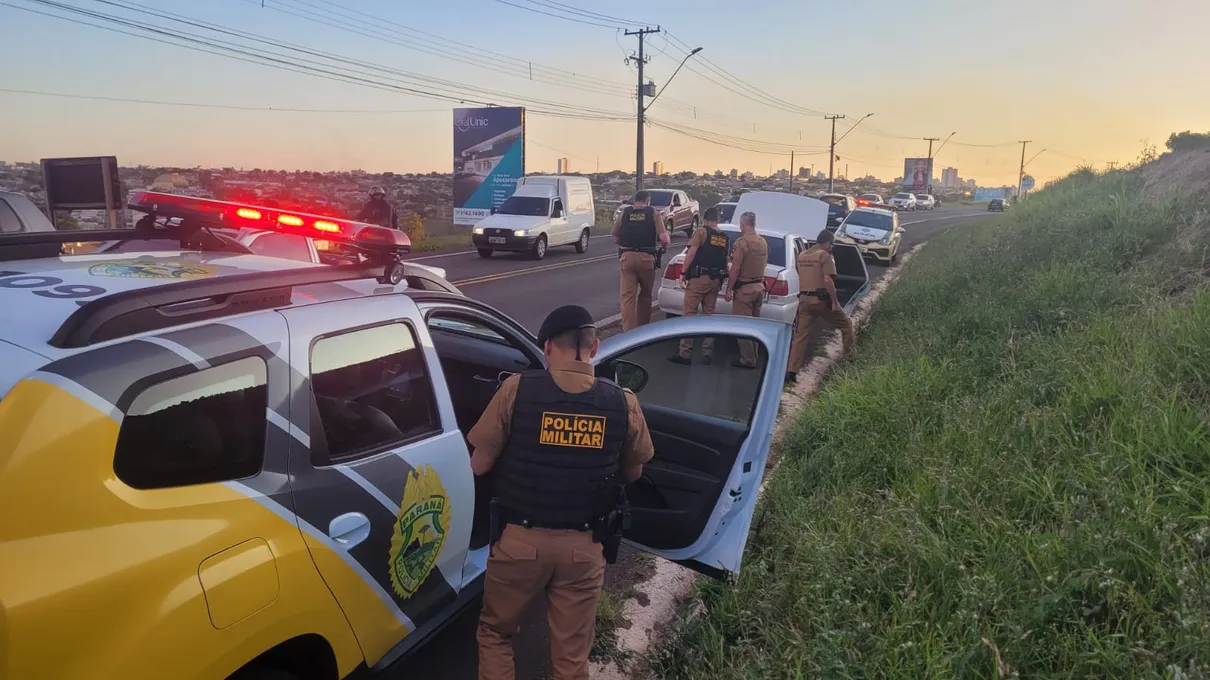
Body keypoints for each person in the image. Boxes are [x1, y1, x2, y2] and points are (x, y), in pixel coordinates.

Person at [468, 305, 655, 680]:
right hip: (583, 549)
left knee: (495, 633)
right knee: (570, 663)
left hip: (519, 543)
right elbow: (634, 472)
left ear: (549, 346)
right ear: (595, 346)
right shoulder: (623, 402)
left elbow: (479, 465)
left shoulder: (516, 390)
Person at [786, 229, 855, 383]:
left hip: (803, 300)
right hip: (821, 300)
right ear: (828, 243)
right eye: (832, 244)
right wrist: (835, 302)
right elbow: (828, 280)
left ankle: (791, 371)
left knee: (800, 337)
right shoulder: (825, 256)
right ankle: (849, 360)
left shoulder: (802, 255)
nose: (832, 247)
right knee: (846, 324)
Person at [669, 206, 729, 365]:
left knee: (689, 314)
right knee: (709, 315)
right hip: (715, 281)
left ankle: (685, 353)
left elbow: (691, 252)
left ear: (705, 219)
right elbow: (726, 261)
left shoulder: (702, 232)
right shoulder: (724, 237)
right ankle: (707, 352)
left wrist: (683, 272)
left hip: (699, 279)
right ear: (718, 220)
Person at [613, 190, 670, 332]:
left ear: (635, 200)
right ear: (648, 201)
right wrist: (663, 246)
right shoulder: (653, 213)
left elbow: (615, 237)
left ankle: (628, 332)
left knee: (627, 297)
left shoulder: (624, 213)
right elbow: (664, 239)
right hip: (646, 258)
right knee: (645, 294)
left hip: (627, 256)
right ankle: (642, 330)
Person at [724, 211, 768, 369]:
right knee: (755, 327)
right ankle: (754, 356)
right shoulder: (762, 241)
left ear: (743, 224)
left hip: (745, 290)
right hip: (759, 288)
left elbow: (735, 268)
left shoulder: (742, 243)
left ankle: (747, 359)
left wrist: (729, 288)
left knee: (742, 326)